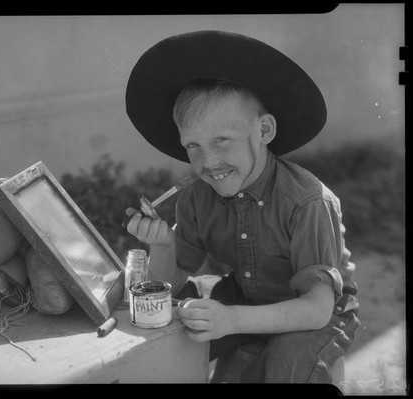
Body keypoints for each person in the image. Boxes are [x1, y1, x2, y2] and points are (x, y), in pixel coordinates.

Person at [123, 30, 360, 384]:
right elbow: (170, 282)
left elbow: (316, 308)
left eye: (221, 140)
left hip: (318, 314)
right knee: (171, 330)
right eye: (193, 146)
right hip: (244, 296)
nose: (208, 161)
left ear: (264, 130)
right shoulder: (197, 197)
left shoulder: (307, 202)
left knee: (287, 360)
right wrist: (162, 245)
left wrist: (231, 320)